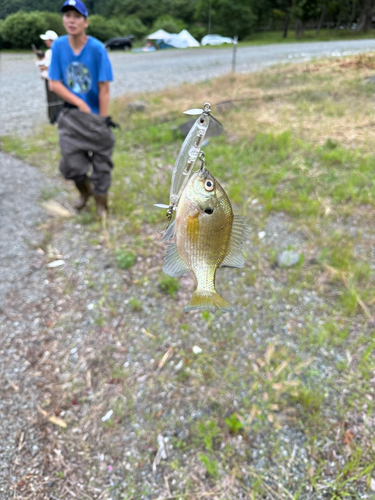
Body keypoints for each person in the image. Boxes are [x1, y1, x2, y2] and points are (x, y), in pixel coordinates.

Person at [49, 0, 115, 216]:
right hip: (71, 116)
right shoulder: (59, 46)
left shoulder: (96, 49)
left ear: (85, 22)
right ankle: (85, 193)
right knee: (71, 164)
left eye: (77, 16)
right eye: (67, 15)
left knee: (101, 164)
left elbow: (104, 88)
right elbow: (54, 83)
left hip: (95, 117)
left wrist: (102, 121)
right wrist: (79, 102)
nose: (71, 20)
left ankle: (101, 204)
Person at [36, 30, 64, 124]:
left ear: (52, 40)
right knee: (51, 99)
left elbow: (53, 65)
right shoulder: (49, 51)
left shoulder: (56, 51)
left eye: (47, 40)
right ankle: (53, 118)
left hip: (54, 79)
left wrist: (43, 67)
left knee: (56, 99)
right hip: (48, 78)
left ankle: (57, 118)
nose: (45, 42)